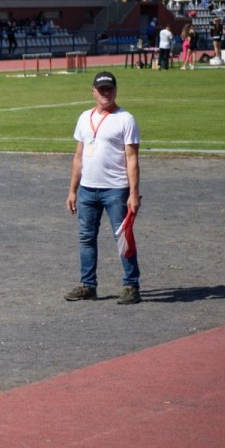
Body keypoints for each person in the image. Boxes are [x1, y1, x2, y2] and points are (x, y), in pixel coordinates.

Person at [65, 72, 141, 305]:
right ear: (93, 92)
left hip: (116, 189)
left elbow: (132, 159)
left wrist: (133, 193)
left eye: (109, 89)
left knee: (123, 238)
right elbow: (78, 156)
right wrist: (72, 190)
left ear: (116, 91)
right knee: (86, 238)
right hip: (88, 189)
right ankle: (88, 285)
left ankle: (131, 285)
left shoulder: (125, 119)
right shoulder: (84, 117)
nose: (105, 93)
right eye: (101, 89)